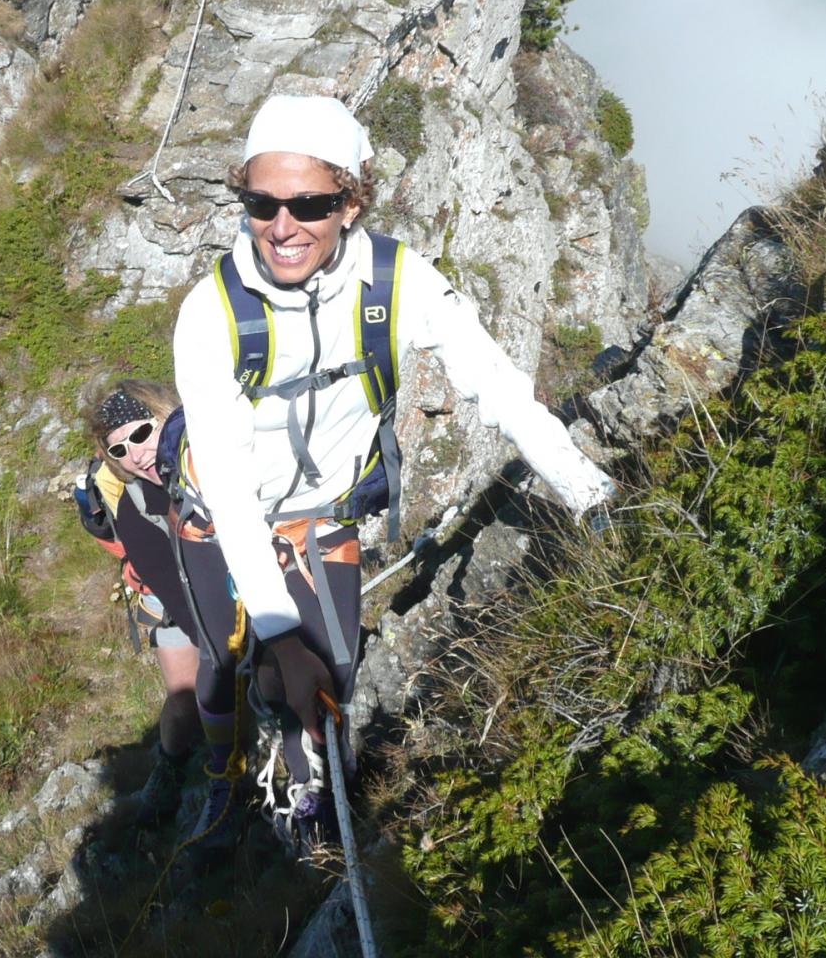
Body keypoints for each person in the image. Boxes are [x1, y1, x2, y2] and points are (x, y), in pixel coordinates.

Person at [170, 93, 616, 851]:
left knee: (334, 672)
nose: (283, 227)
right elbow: (231, 489)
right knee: (244, 662)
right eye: (262, 202)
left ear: (351, 201)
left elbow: (498, 386)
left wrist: (587, 491)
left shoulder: (394, 283)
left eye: (310, 203)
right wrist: (281, 641)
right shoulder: (212, 314)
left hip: (325, 512)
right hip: (220, 517)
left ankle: (304, 785)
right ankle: (240, 774)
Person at [75, 379, 204, 825]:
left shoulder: (214, 452)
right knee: (186, 696)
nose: (135, 454)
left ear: (166, 417)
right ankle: (170, 764)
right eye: (119, 450)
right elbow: (176, 594)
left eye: (142, 434)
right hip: (175, 595)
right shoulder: (134, 507)